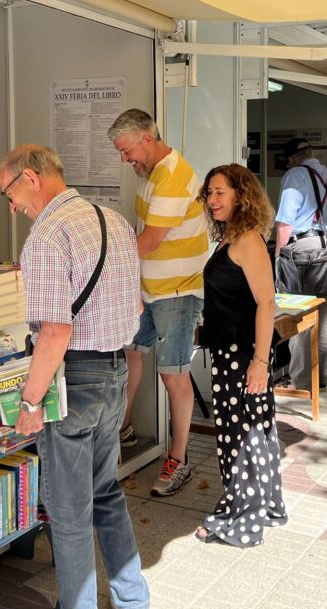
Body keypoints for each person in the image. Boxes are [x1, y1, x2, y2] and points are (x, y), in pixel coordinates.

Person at [0, 144, 149, 609]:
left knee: (68, 512)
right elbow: (136, 307)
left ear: (30, 177)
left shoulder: (46, 236)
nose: (12, 206)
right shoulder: (114, 221)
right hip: (114, 371)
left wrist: (30, 402)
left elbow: (55, 331)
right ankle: (132, 600)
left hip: (73, 381)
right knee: (106, 494)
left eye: (8, 193)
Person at [108, 108, 206, 498]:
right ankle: (122, 429)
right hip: (147, 289)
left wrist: (97, 257)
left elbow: (148, 242)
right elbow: (141, 232)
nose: (124, 159)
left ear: (147, 139)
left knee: (173, 375)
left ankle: (178, 459)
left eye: (127, 150)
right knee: (130, 354)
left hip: (177, 293)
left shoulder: (172, 177)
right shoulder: (149, 173)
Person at [194, 163, 286, 547]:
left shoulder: (247, 240)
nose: (212, 200)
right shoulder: (232, 236)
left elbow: (267, 302)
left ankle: (242, 519)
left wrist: (259, 363)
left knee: (241, 435)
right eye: (209, 193)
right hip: (232, 352)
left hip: (243, 355)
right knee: (253, 431)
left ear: (240, 194)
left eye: (220, 192)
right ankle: (263, 506)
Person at [274, 138, 327, 393]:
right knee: (326, 315)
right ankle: (319, 376)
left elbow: (285, 223)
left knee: (298, 315)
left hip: (302, 248)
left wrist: (279, 256)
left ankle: (301, 382)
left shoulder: (294, 176)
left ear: (291, 159)